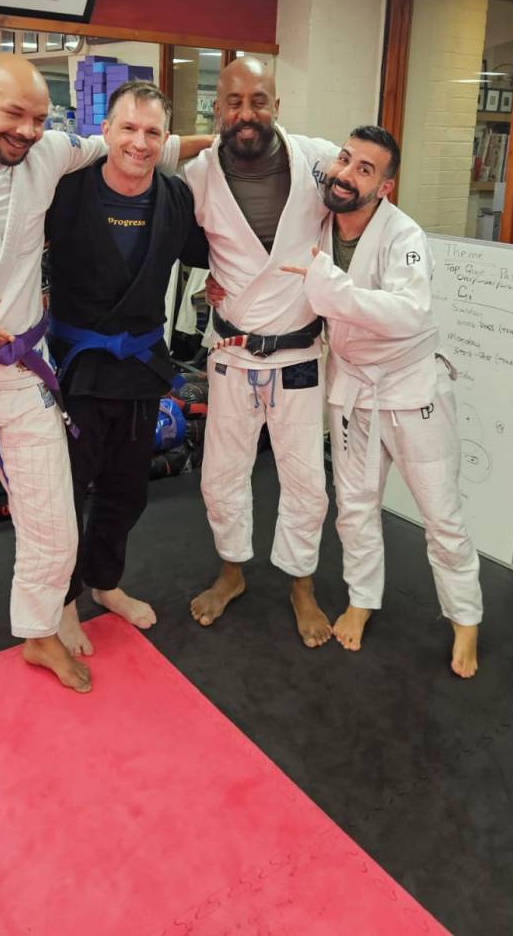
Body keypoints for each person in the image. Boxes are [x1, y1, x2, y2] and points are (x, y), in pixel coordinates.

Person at [0, 54, 206, 717]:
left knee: (53, 518)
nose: (26, 130)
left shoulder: (50, 152)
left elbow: (138, 145)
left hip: (26, 372)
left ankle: (40, 631)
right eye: (13, 114)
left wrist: (235, 141)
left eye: (38, 118)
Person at [280, 125, 482, 678]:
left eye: (364, 169)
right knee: (355, 506)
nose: (346, 174)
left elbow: (407, 314)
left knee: (441, 514)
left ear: (385, 187)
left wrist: (329, 288)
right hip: (352, 387)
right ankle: (362, 598)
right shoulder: (321, 225)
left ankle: (465, 618)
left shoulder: (404, 237)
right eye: (345, 159)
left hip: (412, 389)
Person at [47, 81, 209, 655]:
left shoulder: (175, 198)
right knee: (65, 493)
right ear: (106, 131)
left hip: (141, 367)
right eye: (129, 128)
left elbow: (215, 253)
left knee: (126, 489)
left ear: (165, 140)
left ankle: (105, 581)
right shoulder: (65, 190)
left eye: (152, 132)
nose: (139, 142)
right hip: (75, 370)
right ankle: (62, 600)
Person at [185, 56, 339, 647]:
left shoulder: (319, 160)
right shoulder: (198, 174)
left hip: (299, 353)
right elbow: (181, 238)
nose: (246, 113)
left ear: (277, 105)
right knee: (221, 473)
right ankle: (232, 572)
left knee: (307, 480)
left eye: (258, 100)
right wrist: (205, 281)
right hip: (233, 350)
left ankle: (302, 585)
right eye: (234, 102)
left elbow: (364, 208)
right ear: (217, 109)